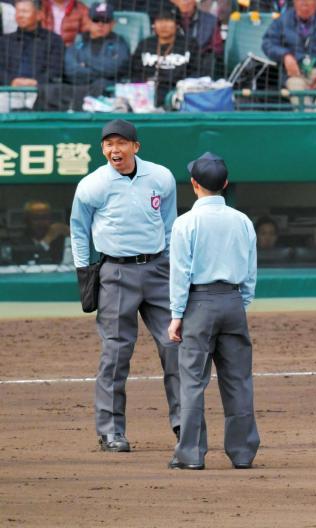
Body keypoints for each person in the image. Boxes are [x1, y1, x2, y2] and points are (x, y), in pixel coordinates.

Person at [69, 119, 181, 453]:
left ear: (136, 146)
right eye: (108, 144)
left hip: (158, 269)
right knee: (116, 353)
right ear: (102, 149)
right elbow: (78, 230)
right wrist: (84, 271)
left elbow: (170, 223)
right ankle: (110, 431)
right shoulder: (92, 185)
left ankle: (184, 424)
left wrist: (175, 267)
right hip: (115, 272)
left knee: (175, 347)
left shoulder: (161, 177)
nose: (114, 150)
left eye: (120, 143)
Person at [167, 152, 259, 471]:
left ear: (194, 184)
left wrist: (177, 315)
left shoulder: (185, 223)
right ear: (225, 184)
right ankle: (243, 452)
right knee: (238, 381)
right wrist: (239, 304)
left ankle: (190, 454)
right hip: (233, 302)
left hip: (198, 304)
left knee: (192, 381)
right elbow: (250, 272)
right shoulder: (242, 220)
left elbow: (180, 273)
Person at [263, 0, 316, 111]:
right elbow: (268, 43)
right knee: (296, 87)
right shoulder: (282, 20)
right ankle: (308, 121)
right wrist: (285, 55)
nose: (304, 2)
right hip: (296, 74)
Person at [132, 7, 199, 108]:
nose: (163, 25)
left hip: (177, 93)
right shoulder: (145, 44)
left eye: (168, 20)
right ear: (154, 24)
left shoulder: (189, 44)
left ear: (177, 24)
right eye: (159, 21)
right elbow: (134, 70)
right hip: (145, 94)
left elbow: (197, 71)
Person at [0, 0, 65, 90]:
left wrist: (36, 82)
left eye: (25, 12)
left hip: (42, 93)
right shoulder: (4, 41)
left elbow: (55, 70)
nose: (20, 16)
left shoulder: (53, 41)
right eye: (17, 12)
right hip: (8, 91)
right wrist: (11, 81)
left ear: (39, 15)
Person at [64, 2, 130, 86]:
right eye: (96, 20)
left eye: (105, 21)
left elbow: (114, 68)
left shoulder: (120, 43)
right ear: (88, 22)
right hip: (79, 90)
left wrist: (85, 63)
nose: (100, 24)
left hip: (107, 91)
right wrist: (100, 71)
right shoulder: (78, 42)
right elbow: (70, 71)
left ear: (113, 24)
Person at [170, 0, 222, 76]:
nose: (185, 2)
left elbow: (217, 49)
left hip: (199, 68)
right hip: (171, 65)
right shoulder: (166, 21)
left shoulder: (211, 21)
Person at [14, 200, 70, 265]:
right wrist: (47, 240)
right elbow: (32, 261)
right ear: (27, 221)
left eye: (45, 218)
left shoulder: (59, 240)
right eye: (36, 218)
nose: (41, 222)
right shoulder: (18, 243)